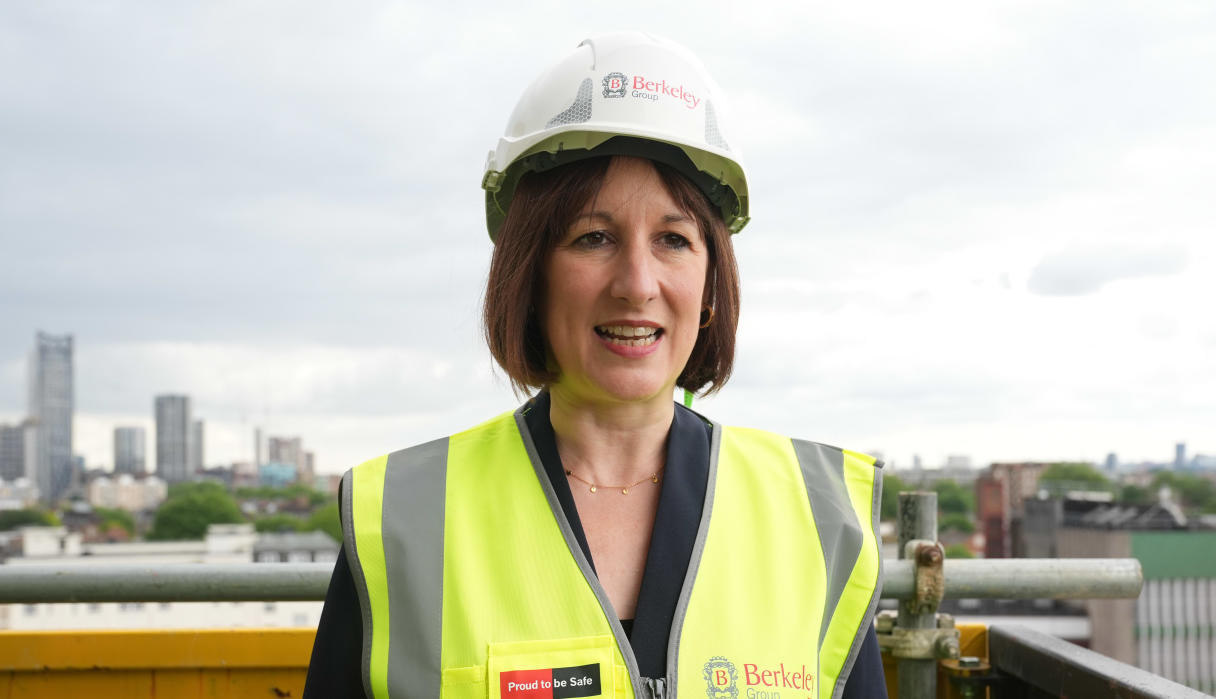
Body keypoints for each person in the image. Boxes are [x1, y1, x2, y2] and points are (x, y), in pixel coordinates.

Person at [305, 32, 886, 699]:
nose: (636, 283)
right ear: (532, 273)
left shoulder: (817, 518)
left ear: (709, 287)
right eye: (594, 237)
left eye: (673, 239)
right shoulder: (401, 522)